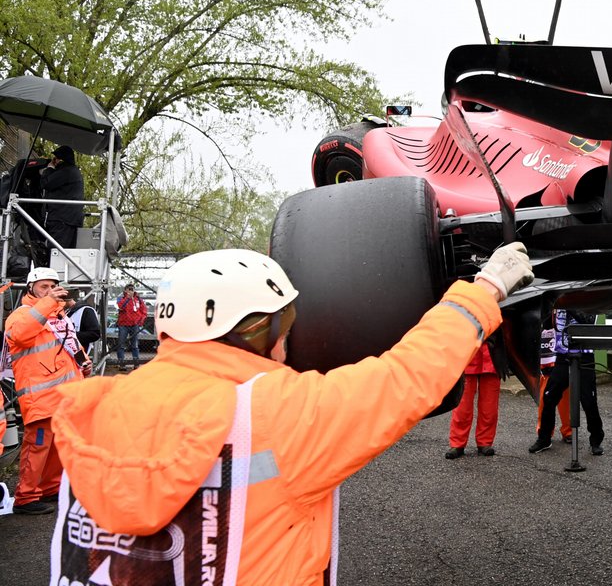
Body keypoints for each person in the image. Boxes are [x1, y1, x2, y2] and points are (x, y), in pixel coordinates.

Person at [49, 243, 532, 584]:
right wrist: (484, 289)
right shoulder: (274, 413)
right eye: (284, 322)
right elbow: (404, 378)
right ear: (258, 329)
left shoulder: (97, 404)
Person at [3, 267, 85, 515]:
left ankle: (50, 488)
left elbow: (66, 347)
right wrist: (50, 303)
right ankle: (26, 497)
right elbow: (19, 335)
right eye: (43, 287)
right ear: (31, 288)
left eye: (53, 287)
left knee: (58, 446)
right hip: (40, 397)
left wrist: (82, 362)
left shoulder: (57, 316)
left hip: (63, 397)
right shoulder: (22, 314)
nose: (50, 291)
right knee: (37, 447)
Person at [529, 308, 604, 455]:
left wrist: (570, 306)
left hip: (585, 356)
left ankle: (596, 440)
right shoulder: (558, 304)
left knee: (588, 400)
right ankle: (544, 438)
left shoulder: (589, 302)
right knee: (549, 396)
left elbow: (588, 321)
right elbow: (547, 325)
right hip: (563, 356)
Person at [445, 335, 504, 458]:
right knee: (462, 405)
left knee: (490, 406)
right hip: (466, 353)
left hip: (493, 353)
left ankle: (485, 442)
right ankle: (457, 444)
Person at [39, 145, 84, 260]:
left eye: (56, 159)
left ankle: (54, 275)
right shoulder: (73, 171)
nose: (54, 161)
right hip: (69, 220)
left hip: (61, 220)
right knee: (64, 255)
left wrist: (49, 169)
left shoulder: (66, 171)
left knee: (55, 254)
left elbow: (46, 183)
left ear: (61, 159)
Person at [536, 311, 572, 444]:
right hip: (547, 352)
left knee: (565, 395)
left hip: (562, 353)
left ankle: (568, 430)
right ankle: (544, 432)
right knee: (545, 396)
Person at [115, 283, 148, 370]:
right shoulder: (121, 298)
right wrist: (127, 299)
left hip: (135, 325)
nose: (130, 291)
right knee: (121, 345)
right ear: (125, 290)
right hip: (123, 325)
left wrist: (140, 321)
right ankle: (121, 364)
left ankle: (136, 364)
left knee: (135, 345)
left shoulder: (138, 299)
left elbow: (143, 310)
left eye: (132, 289)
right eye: (128, 289)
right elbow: (120, 306)